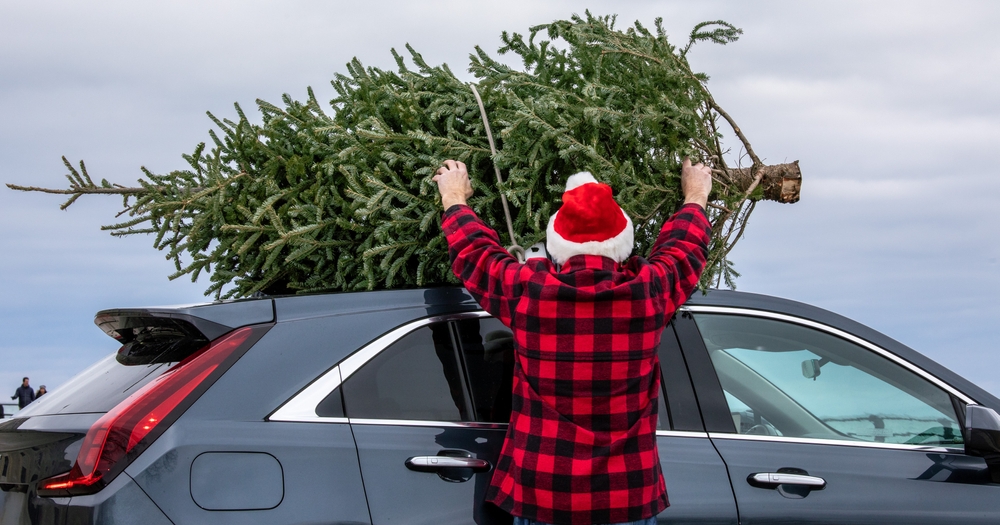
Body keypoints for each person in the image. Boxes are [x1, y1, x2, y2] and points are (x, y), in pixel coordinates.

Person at [434, 158, 712, 525]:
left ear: (556, 245)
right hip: (626, 497)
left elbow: (475, 254)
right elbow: (684, 249)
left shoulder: (531, 292)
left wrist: (454, 197)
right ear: (623, 243)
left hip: (543, 496)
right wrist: (695, 194)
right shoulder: (649, 292)